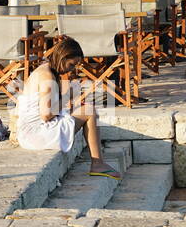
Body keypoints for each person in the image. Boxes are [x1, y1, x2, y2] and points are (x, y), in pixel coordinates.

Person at [16, 37, 119, 178]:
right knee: (89, 111)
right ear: (63, 58)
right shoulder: (47, 76)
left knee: (86, 109)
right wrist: (68, 96)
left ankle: (98, 162)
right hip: (35, 133)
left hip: (28, 131)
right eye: (71, 65)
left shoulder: (45, 69)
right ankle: (97, 163)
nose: (72, 69)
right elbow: (46, 115)